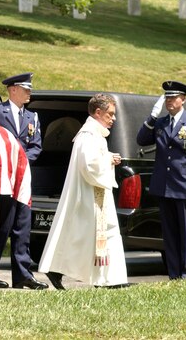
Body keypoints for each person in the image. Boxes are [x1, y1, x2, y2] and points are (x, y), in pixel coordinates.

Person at [38, 94, 128, 289]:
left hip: (95, 191)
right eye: (110, 114)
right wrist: (108, 161)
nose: (113, 119)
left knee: (90, 235)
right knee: (86, 235)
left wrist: (108, 157)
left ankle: (108, 278)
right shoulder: (88, 135)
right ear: (98, 112)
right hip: (88, 193)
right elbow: (89, 166)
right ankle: (104, 279)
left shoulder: (95, 134)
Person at [136, 81, 186, 279]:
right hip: (164, 186)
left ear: (183, 99)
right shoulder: (161, 123)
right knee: (170, 235)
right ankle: (174, 274)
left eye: (174, 97)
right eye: (167, 98)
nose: (170, 101)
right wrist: (152, 117)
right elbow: (142, 139)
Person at [0, 73, 48, 290]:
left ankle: (22, 275)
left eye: (30, 89)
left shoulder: (32, 117)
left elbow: (36, 145)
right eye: (25, 89)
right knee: (3, 225)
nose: (29, 92)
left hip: (23, 177)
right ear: (12, 90)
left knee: (23, 226)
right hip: (4, 177)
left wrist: (22, 162)